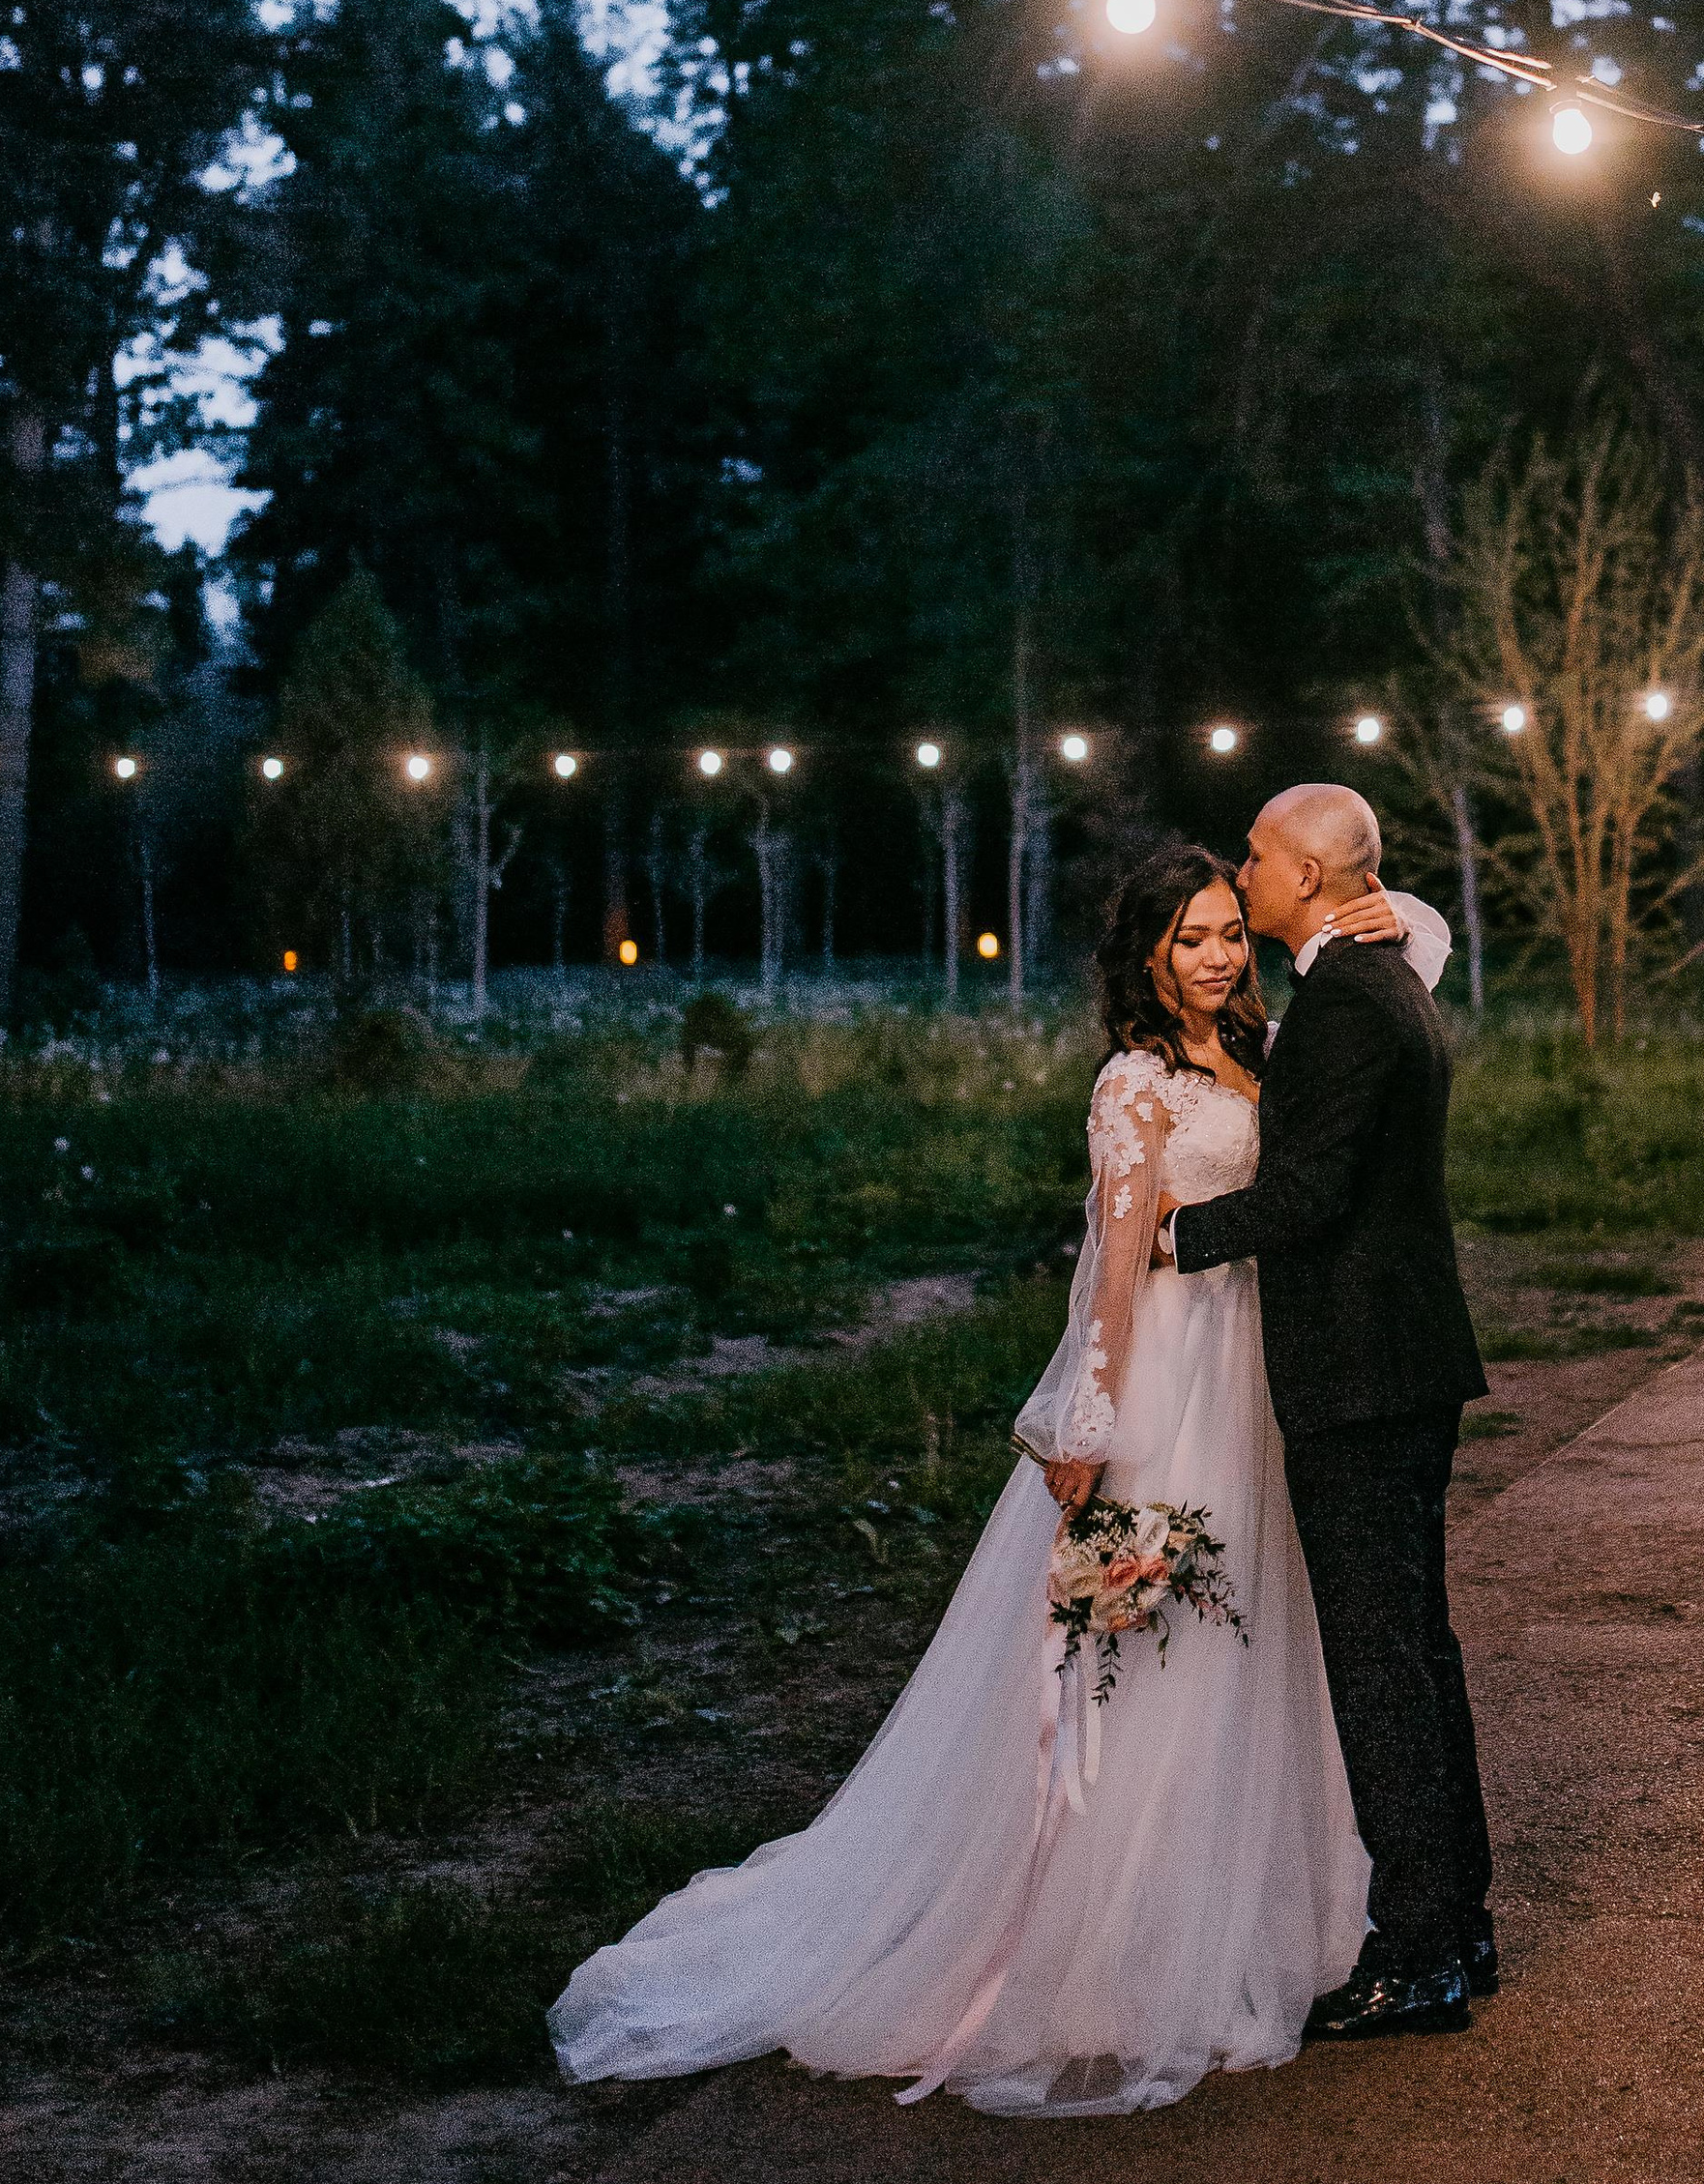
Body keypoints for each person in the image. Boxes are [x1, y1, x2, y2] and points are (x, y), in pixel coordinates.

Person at [547, 838, 1444, 2119]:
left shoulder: (1261, 1055)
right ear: (1145, 956)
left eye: (1227, 935)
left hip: (1261, 1387)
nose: (1214, 958)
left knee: (1255, 1643)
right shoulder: (1132, 1085)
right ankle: (1107, 1936)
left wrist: (1366, 913)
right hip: (1164, 1394)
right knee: (1136, 1650)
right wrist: (1090, 1411)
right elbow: (1113, 1264)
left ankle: (1245, 1910)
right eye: (1186, 939)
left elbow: (1409, 964)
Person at [1162, 782, 1494, 2041]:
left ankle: (1416, 1958)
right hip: (1404, 1364)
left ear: (1305, 874)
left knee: (1380, 1668)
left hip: (1361, 1375)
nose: (1240, 875)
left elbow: (1304, 1197)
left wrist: (1173, 1236)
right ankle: (1456, 1929)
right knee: (1417, 1649)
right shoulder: (1380, 972)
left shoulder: (1350, 1003)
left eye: (1254, 857)